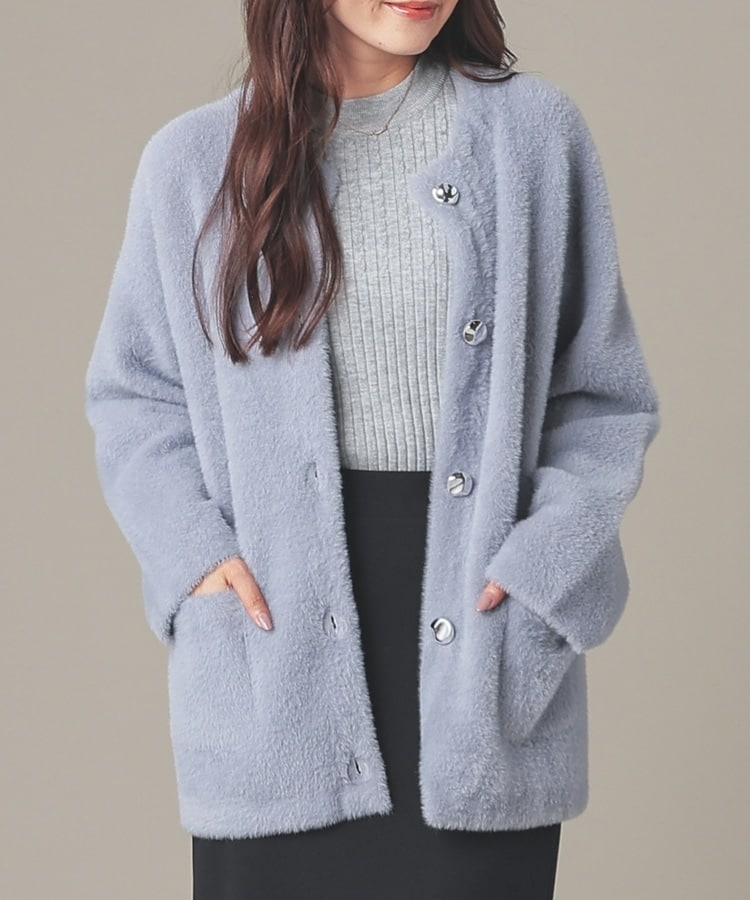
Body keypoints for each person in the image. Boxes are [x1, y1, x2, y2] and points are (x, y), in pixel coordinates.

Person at [84, 1, 661, 898]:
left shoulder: (534, 138)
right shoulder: (193, 164)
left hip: (479, 649)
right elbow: (135, 399)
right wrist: (193, 557)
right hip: (274, 663)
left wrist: (544, 575)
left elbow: (602, 399)